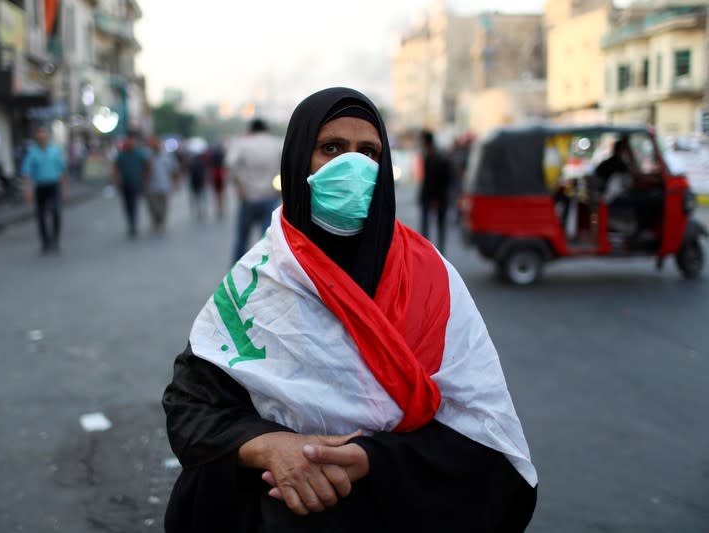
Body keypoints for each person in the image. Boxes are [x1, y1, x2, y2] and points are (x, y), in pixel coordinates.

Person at [162, 87, 538, 532]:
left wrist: (369, 459)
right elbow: (191, 406)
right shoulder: (259, 280)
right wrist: (267, 447)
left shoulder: (432, 279)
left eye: (369, 153)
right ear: (300, 158)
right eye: (332, 148)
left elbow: (484, 434)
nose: (353, 166)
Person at [225, 118, 282, 262]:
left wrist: (239, 186)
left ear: (251, 130)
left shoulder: (242, 143)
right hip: (270, 196)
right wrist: (279, 188)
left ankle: (236, 274)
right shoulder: (277, 143)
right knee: (268, 242)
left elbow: (230, 164)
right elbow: (286, 166)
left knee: (242, 239)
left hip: (248, 196)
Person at [21, 126, 68, 254]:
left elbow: (62, 170)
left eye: (43, 134)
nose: (42, 136)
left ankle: (55, 240)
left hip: (54, 185)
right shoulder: (32, 152)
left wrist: (64, 190)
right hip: (41, 186)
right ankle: (45, 242)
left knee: (56, 212)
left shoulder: (55, 151)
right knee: (41, 215)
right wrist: (28, 191)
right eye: (39, 134)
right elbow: (26, 173)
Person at [417, 129, 454, 251]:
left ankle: (436, 252)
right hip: (431, 197)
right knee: (428, 226)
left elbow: (443, 180)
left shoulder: (438, 157)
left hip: (438, 197)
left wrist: (436, 198)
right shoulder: (430, 154)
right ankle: (427, 250)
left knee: (437, 226)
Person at [113, 130, 151, 238]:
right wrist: (116, 180)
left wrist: (144, 178)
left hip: (136, 183)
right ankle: (131, 223)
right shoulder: (121, 155)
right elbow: (115, 168)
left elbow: (147, 166)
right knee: (127, 204)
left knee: (133, 204)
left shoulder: (139, 153)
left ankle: (133, 223)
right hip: (125, 183)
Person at [145, 137, 178, 233]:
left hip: (164, 185)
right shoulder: (147, 156)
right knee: (153, 206)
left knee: (163, 206)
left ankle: (161, 222)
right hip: (151, 186)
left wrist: (176, 183)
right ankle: (155, 222)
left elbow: (174, 170)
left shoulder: (168, 156)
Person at [209, 142, 227, 219]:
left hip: (215, 174)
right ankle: (221, 206)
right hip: (221, 174)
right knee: (221, 192)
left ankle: (218, 207)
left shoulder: (212, 155)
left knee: (217, 193)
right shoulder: (222, 154)